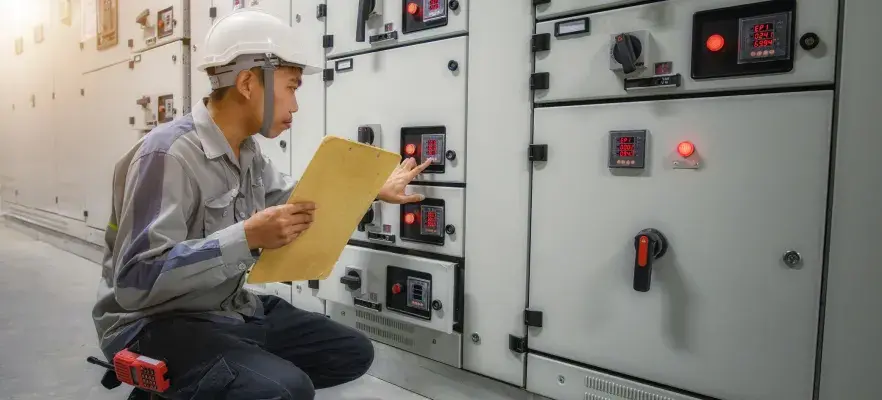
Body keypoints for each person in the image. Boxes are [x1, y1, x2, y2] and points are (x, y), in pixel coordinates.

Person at [91, 7, 431, 400]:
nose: (296, 105)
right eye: (292, 86)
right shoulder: (168, 154)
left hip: (222, 306)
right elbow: (136, 282)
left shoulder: (247, 152)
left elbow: (299, 201)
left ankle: (219, 374)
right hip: (152, 323)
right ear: (249, 83)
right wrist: (247, 237)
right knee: (286, 389)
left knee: (350, 352)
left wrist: (371, 188)